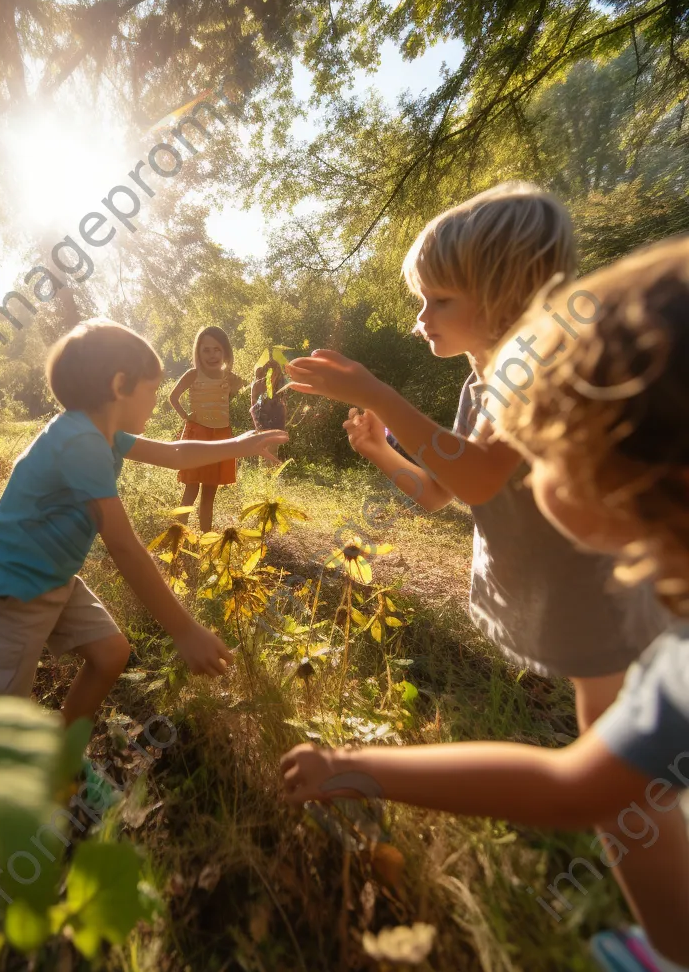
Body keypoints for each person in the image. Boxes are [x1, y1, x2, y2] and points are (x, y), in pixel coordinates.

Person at [282, 237, 689, 972]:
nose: (533, 471)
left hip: (587, 607)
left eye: (552, 447)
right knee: (639, 771)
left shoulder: (523, 373)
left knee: (626, 782)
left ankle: (672, 940)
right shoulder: (482, 387)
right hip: (571, 603)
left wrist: (350, 765)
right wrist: (381, 452)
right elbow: (443, 488)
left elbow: (571, 787)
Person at [0, 318, 286, 726]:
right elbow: (124, 545)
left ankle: (61, 755)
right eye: (150, 390)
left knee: (111, 653)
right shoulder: (81, 441)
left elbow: (176, 454)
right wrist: (185, 630)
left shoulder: (103, 432)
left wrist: (241, 443)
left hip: (51, 576)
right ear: (119, 386)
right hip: (10, 585)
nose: (155, 401)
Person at [169, 325, 246, 532]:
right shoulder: (193, 374)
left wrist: (239, 386)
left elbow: (229, 398)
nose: (212, 355)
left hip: (220, 436)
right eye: (206, 350)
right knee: (191, 488)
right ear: (198, 352)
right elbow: (173, 397)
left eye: (217, 349)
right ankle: (178, 535)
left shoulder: (229, 377)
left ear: (225, 351)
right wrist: (186, 417)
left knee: (209, 494)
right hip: (198, 434)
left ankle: (205, 538)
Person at [250, 358, 287, 434]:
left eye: (276, 373)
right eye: (272, 372)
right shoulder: (257, 385)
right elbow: (254, 406)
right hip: (262, 420)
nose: (274, 376)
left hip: (276, 421)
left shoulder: (279, 385)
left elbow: (283, 404)